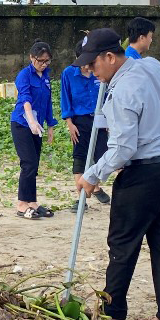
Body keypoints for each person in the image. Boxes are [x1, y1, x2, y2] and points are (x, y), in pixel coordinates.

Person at [74, 28, 160, 320]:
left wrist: (92, 175)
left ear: (110, 57)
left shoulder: (122, 91)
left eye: (93, 65)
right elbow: (150, 70)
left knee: (122, 243)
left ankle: (112, 314)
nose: (90, 72)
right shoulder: (150, 67)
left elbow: (123, 148)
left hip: (144, 173)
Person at [10, 39, 58, 219]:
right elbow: (25, 99)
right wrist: (30, 120)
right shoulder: (24, 75)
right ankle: (22, 205)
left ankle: (32, 202)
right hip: (22, 124)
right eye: (40, 61)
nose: (44, 64)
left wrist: (50, 125)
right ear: (31, 58)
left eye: (47, 61)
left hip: (37, 125)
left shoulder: (46, 75)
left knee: (35, 164)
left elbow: (47, 102)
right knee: (28, 163)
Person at [61, 39, 110, 205]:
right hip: (79, 120)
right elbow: (65, 98)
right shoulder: (68, 73)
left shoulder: (100, 72)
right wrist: (69, 123)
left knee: (102, 154)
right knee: (80, 156)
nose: (86, 67)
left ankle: (94, 186)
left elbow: (108, 97)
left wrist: (110, 121)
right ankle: (81, 197)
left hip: (100, 118)